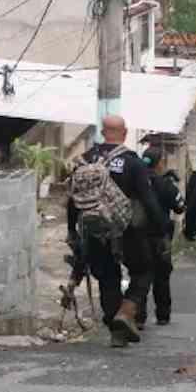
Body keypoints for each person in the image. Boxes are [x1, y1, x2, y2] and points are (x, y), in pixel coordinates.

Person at [67, 115, 166, 347]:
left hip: (94, 229)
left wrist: (73, 231)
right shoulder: (132, 162)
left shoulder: (85, 159)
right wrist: (160, 229)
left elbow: (72, 199)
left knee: (108, 279)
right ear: (124, 133)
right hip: (128, 229)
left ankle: (117, 333)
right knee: (143, 271)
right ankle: (127, 311)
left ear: (103, 132)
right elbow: (148, 199)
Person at [137, 148, 186, 328]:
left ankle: (138, 317)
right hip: (159, 238)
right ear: (160, 163)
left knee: (139, 276)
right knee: (161, 277)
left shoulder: (136, 182)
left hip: (137, 237)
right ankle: (163, 316)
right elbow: (180, 207)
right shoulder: (165, 184)